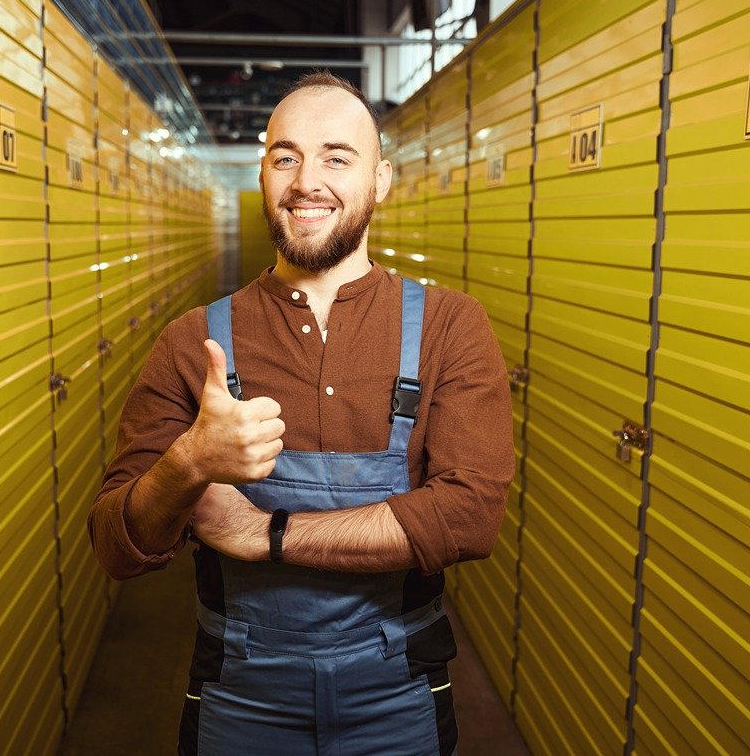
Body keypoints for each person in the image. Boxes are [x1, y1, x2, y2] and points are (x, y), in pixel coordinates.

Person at [88, 70, 515, 756]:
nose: (305, 181)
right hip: (239, 694)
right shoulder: (192, 340)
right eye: (284, 156)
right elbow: (114, 543)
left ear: (380, 180)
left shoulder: (449, 327)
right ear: (263, 175)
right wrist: (188, 462)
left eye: (335, 157)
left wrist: (267, 533)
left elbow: (469, 514)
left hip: (399, 693)